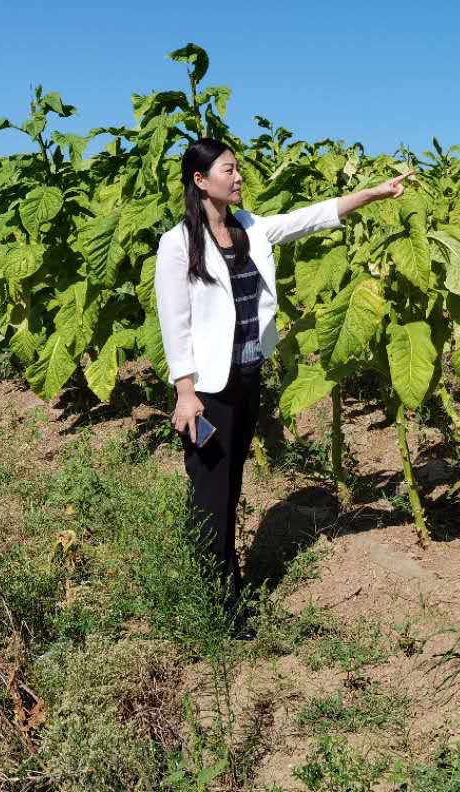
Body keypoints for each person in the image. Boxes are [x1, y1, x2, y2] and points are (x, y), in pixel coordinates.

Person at [154, 138, 409, 626]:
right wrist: (185, 392)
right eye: (229, 170)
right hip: (207, 387)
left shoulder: (248, 227)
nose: (238, 177)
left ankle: (221, 582)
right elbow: (175, 322)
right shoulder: (178, 243)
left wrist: (373, 194)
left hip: (248, 375)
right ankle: (218, 605)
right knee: (212, 490)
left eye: (238, 169)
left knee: (229, 482)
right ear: (200, 180)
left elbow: (311, 217)